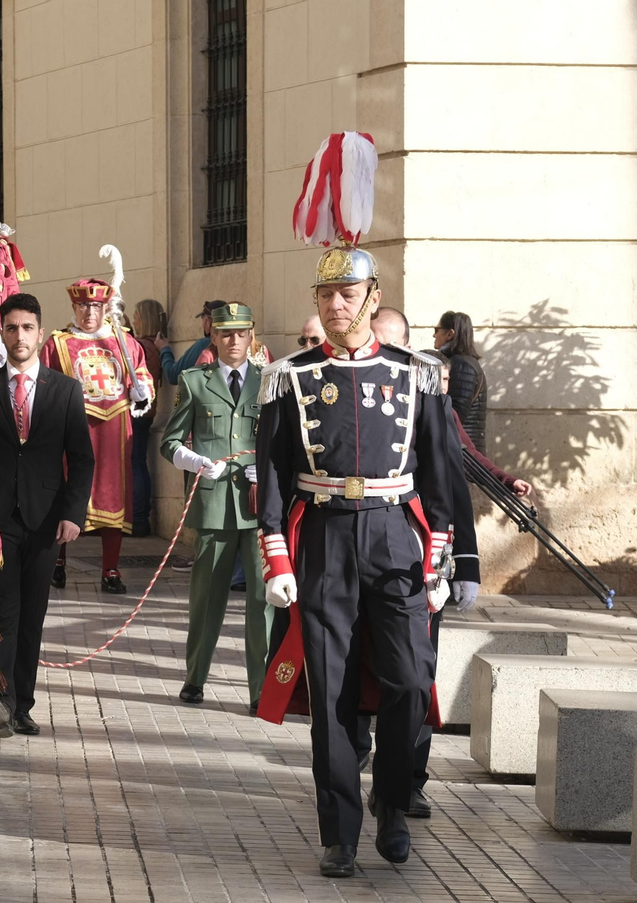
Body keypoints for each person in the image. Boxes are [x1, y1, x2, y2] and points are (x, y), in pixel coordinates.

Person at [257, 131, 457, 876]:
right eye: (325, 294)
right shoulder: (290, 377)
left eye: (348, 294)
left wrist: (442, 557)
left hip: (396, 535)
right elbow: (270, 473)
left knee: (408, 681)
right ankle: (339, 830)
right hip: (323, 539)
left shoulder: (415, 374)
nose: (335, 305)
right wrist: (276, 554)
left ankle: (394, 802)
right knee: (332, 688)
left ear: (374, 299)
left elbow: (440, 476)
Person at [0, 292, 95, 737]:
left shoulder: (65, 389)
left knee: (32, 615)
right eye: (11, 328)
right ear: (1, 334)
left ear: (40, 334)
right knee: (2, 610)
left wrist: (73, 514)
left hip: (46, 522)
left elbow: (81, 458)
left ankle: (22, 705)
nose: (19, 336)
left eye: (27, 328)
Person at [366, 309, 486, 819]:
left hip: (418, 564)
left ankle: (408, 779)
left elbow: (451, 484)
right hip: (356, 559)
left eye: (395, 346)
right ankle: (355, 761)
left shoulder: (428, 398)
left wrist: (466, 564)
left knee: (417, 673)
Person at [160, 302, 271, 713]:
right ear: (214, 336)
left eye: (241, 333)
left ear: (251, 335)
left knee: (262, 600)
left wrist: (269, 468)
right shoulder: (195, 381)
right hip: (213, 504)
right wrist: (193, 461)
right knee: (206, 598)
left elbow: (287, 441)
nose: (234, 341)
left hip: (259, 506)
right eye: (226, 333)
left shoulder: (269, 381)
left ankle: (261, 691)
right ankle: (195, 678)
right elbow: (170, 441)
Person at [41, 249, 156, 593]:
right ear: (73, 307)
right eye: (82, 306)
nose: (89, 313)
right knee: (67, 493)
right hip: (72, 430)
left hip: (114, 431)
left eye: (94, 306)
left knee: (112, 497)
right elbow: (43, 385)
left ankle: (110, 569)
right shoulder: (57, 344)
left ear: (105, 307)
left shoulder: (124, 342)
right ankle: (57, 562)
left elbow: (141, 375)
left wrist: (142, 391)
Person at [128, 300, 166, 537]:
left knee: (134, 464)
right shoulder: (154, 346)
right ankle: (141, 517)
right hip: (148, 411)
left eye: (136, 315)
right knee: (139, 462)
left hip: (135, 411)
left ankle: (138, 518)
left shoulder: (140, 346)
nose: (133, 319)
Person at [433, 311, 487, 453]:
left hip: (463, 452)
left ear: (450, 334)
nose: (434, 335)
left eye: (436, 330)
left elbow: (455, 415)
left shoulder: (462, 365)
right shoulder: (458, 362)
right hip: (460, 448)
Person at [159, 300, 224, 384]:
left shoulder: (203, 345)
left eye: (203, 320)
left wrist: (164, 349)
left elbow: (173, 375)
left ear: (207, 322)